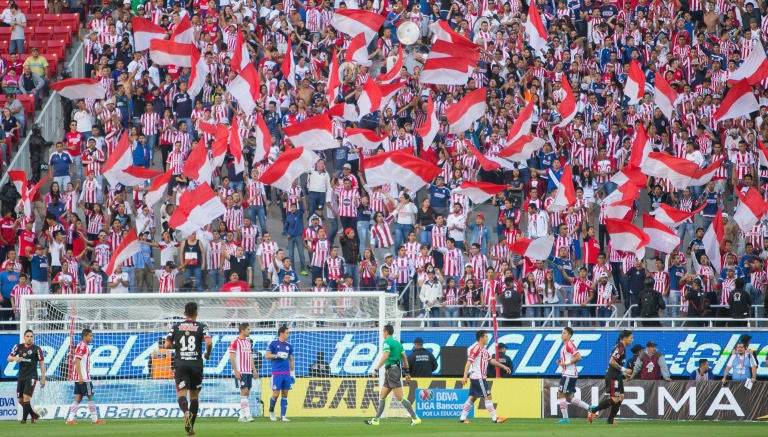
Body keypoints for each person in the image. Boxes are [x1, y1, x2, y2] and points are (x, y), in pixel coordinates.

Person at [164, 302, 213, 436]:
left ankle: (185, 412)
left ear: (184, 313)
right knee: (194, 396)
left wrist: (178, 347)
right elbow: (209, 343)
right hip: (196, 365)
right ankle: (190, 428)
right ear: (196, 313)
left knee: (181, 394)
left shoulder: (176, 326)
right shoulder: (202, 326)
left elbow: (166, 345)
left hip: (181, 364)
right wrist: (207, 354)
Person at [365, 324, 421, 426]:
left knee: (400, 398)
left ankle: (415, 418)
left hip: (392, 371)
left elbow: (385, 356)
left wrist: (376, 369)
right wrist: (407, 372)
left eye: (383, 331)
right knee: (382, 395)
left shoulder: (387, 342)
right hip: (392, 371)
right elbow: (404, 358)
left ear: (386, 332)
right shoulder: (398, 343)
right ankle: (376, 420)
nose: (382, 334)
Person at [458, 329, 511, 424]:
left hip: (477, 377)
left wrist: (503, 366)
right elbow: (468, 362)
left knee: (472, 397)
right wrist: (464, 376)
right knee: (488, 396)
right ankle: (495, 418)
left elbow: (491, 361)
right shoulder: (476, 348)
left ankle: (462, 417)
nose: (487, 338)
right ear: (481, 338)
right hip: (479, 377)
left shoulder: (485, 350)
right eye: (486, 336)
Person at [588, 330, 634, 425]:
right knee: (615, 399)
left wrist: (624, 374)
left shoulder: (622, 347)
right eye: (631, 338)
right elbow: (612, 361)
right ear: (625, 338)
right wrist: (624, 370)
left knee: (620, 397)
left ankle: (610, 420)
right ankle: (593, 410)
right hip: (613, 376)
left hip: (617, 375)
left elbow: (617, 363)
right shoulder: (620, 347)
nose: (632, 340)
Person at [65, 328, 106, 424]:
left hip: (80, 376)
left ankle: (70, 419)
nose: (92, 337)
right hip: (84, 377)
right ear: (85, 336)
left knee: (78, 398)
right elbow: (77, 361)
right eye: (90, 336)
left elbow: (76, 360)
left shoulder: (81, 346)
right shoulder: (82, 346)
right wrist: (80, 376)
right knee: (90, 397)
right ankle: (95, 419)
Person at [7, 329, 45, 423]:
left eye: (31, 336)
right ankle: (33, 415)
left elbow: (42, 364)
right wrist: (15, 358)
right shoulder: (18, 347)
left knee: (26, 397)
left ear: (33, 338)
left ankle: (24, 420)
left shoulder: (37, 349)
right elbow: (9, 358)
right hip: (21, 376)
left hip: (32, 376)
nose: (29, 338)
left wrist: (43, 378)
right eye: (27, 336)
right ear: (24, 337)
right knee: (20, 400)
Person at [555, 327, 591, 423]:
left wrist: (565, 363)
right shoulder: (565, 345)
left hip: (569, 374)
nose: (562, 335)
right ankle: (590, 408)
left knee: (560, 394)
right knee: (569, 398)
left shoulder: (569, 345)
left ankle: (565, 419)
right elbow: (570, 359)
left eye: (565, 333)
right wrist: (562, 362)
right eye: (562, 333)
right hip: (569, 373)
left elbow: (578, 357)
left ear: (569, 335)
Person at [266, 326, 295, 422]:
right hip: (277, 373)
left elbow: (291, 359)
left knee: (285, 393)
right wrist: (277, 355)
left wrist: (292, 373)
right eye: (287, 333)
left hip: (286, 374)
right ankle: (271, 411)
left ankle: (283, 416)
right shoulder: (273, 344)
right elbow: (267, 355)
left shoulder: (289, 346)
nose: (288, 334)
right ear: (281, 333)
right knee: (275, 393)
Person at [229, 323, 256, 423]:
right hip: (240, 370)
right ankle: (248, 415)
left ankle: (241, 416)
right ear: (243, 330)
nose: (250, 331)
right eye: (248, 329)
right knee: (244, 391)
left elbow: (250, 357)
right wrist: (236, 370)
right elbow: (231, 357)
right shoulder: (235, 341)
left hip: (248, 371)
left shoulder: (248, 342)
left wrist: (254, 369)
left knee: (247, 392)